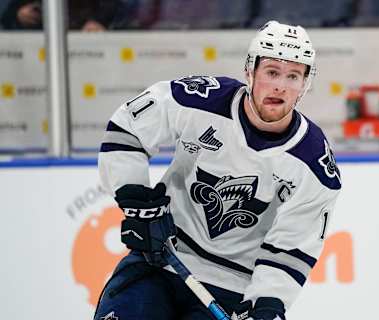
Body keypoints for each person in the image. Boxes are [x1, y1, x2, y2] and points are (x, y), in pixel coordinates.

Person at [96, 21, 342, 320]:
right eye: (272, 72)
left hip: (231, 289)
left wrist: (267, 305)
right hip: (159, 260)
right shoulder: (201, 99)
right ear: (250, 71)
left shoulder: (314, 162)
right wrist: (134, 198)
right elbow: (128, 127)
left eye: (293, 76)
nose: (280, 85)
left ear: (305, 84)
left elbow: (291, 248)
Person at [0, 0, 122, 31]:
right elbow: (7, 16)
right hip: (39, 47)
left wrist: (99, 22)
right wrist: (19, 15)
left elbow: (114, 9)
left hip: (89, 47)